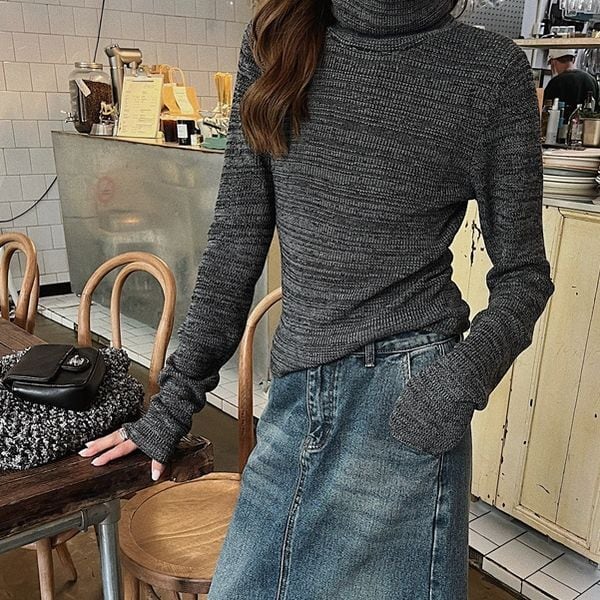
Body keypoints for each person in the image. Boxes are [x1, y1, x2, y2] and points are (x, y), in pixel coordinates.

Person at [80, 0, 555, 597]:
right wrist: (172, 404)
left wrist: (455, 385)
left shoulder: (488, 70)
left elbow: (524, 275)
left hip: (409, 401)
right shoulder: (276, 43)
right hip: (297, 394)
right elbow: (236, 241)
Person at [543, 48, 599, 120]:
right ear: (573, 59)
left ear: (553, 62)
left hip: (560, 125)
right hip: (587, 125)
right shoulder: (592, 80)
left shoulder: (555, 82)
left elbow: (546, 111)